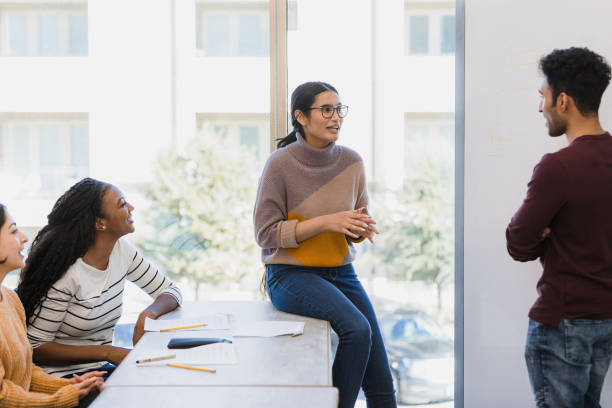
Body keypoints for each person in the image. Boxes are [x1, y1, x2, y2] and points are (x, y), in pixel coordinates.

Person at [253, 81, 396, 408]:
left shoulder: (352, 162)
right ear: (301, 117)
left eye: (339, 110)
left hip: (342, 272)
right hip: (290, 275)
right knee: (357, 330)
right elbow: (265, 233)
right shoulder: (280, 164)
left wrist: (359, 227)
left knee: (383, 386)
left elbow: (355, 221)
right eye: (326, 110)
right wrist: (327, 221)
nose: (336, 118)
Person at [506, 47, 612, 408]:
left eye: (544, 98)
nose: (541, 108)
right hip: (605, 318)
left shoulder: (558, 167)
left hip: (563, 322)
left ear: (563, 101)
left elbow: (518, 243)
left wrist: (544, 235)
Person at [16, 177, 183, 379]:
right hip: (64, 380)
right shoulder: (68, 273)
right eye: (122, 204)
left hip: (101, 370)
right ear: (100, 223)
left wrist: (146, 316)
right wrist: (108, 352)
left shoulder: (122, 252)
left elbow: (170, 290)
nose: (131, 207)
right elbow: (37, 348)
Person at [0, 203, 104, 407]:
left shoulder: (10, 299)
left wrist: (68, 385)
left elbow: (25, 372)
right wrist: (61, 398)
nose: (24, 237)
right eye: (13, 231)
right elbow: (2, 396)